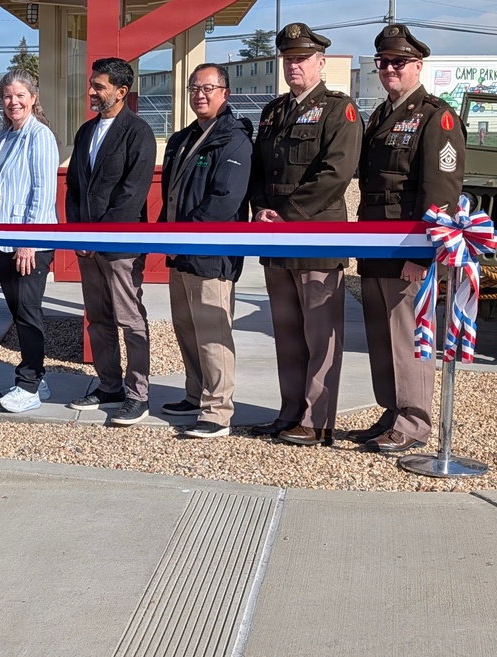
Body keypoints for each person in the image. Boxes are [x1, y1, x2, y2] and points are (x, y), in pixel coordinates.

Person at [350, 24, 466, 453]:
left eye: (398, 62)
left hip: (408, 249)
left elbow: (441, 195)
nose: (389, 69)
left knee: (408, 337)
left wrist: (424, 253)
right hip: (376, 245)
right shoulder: (382, 114)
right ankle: (391, 411)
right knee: (381, 337)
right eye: (383, 62)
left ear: (418, 65)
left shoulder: (437, 117)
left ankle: (414, 421)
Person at [249, 23, 362, 447]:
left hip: (315, 236)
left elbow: (336, 173)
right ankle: (289, 410)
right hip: (275, 238)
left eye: (301, 58)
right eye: (288, 58)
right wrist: (261, 208)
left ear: (320, 62)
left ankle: (316, 420)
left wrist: (285, 215)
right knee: (288, 333)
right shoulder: (274, 111)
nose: (294, 65)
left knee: (320, 335)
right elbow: (261, 169)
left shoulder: (339, 110)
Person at [158, 63, 252, 438]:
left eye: (208, 88)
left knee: (213, 332)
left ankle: (217, 410)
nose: (200, 94)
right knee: (186, 327)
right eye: (194, 88)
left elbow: (225, 200)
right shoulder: (183, 138)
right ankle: (196, 394)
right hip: (181, 253)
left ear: (225, 93)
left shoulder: (233, 139)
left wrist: (185, 233)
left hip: (212, 252)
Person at [65, 57, 156, 426]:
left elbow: (132, 195)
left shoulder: (139, 132)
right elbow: (73, 187)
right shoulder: (86, 131)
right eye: (91, 84)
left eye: (99, 86)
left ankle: (138, 394)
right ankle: (109, 385)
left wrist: (99, 237)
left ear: (121, 91)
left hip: (120, 247)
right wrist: (78, 233)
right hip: (88, 245)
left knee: (130, 319)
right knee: (98, 319)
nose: (91, 91)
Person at [0, 69, 59, 413]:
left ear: (33, 97)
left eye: (20, 95)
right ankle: (36, 372)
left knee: (28, 312)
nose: (14, 102)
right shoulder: (4, 137)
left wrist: (29, 240)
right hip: (1, 241)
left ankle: (27, 386)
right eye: (8, 96)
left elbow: (43, 192)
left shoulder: (39, 137)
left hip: (29, 244)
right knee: (16, 311)